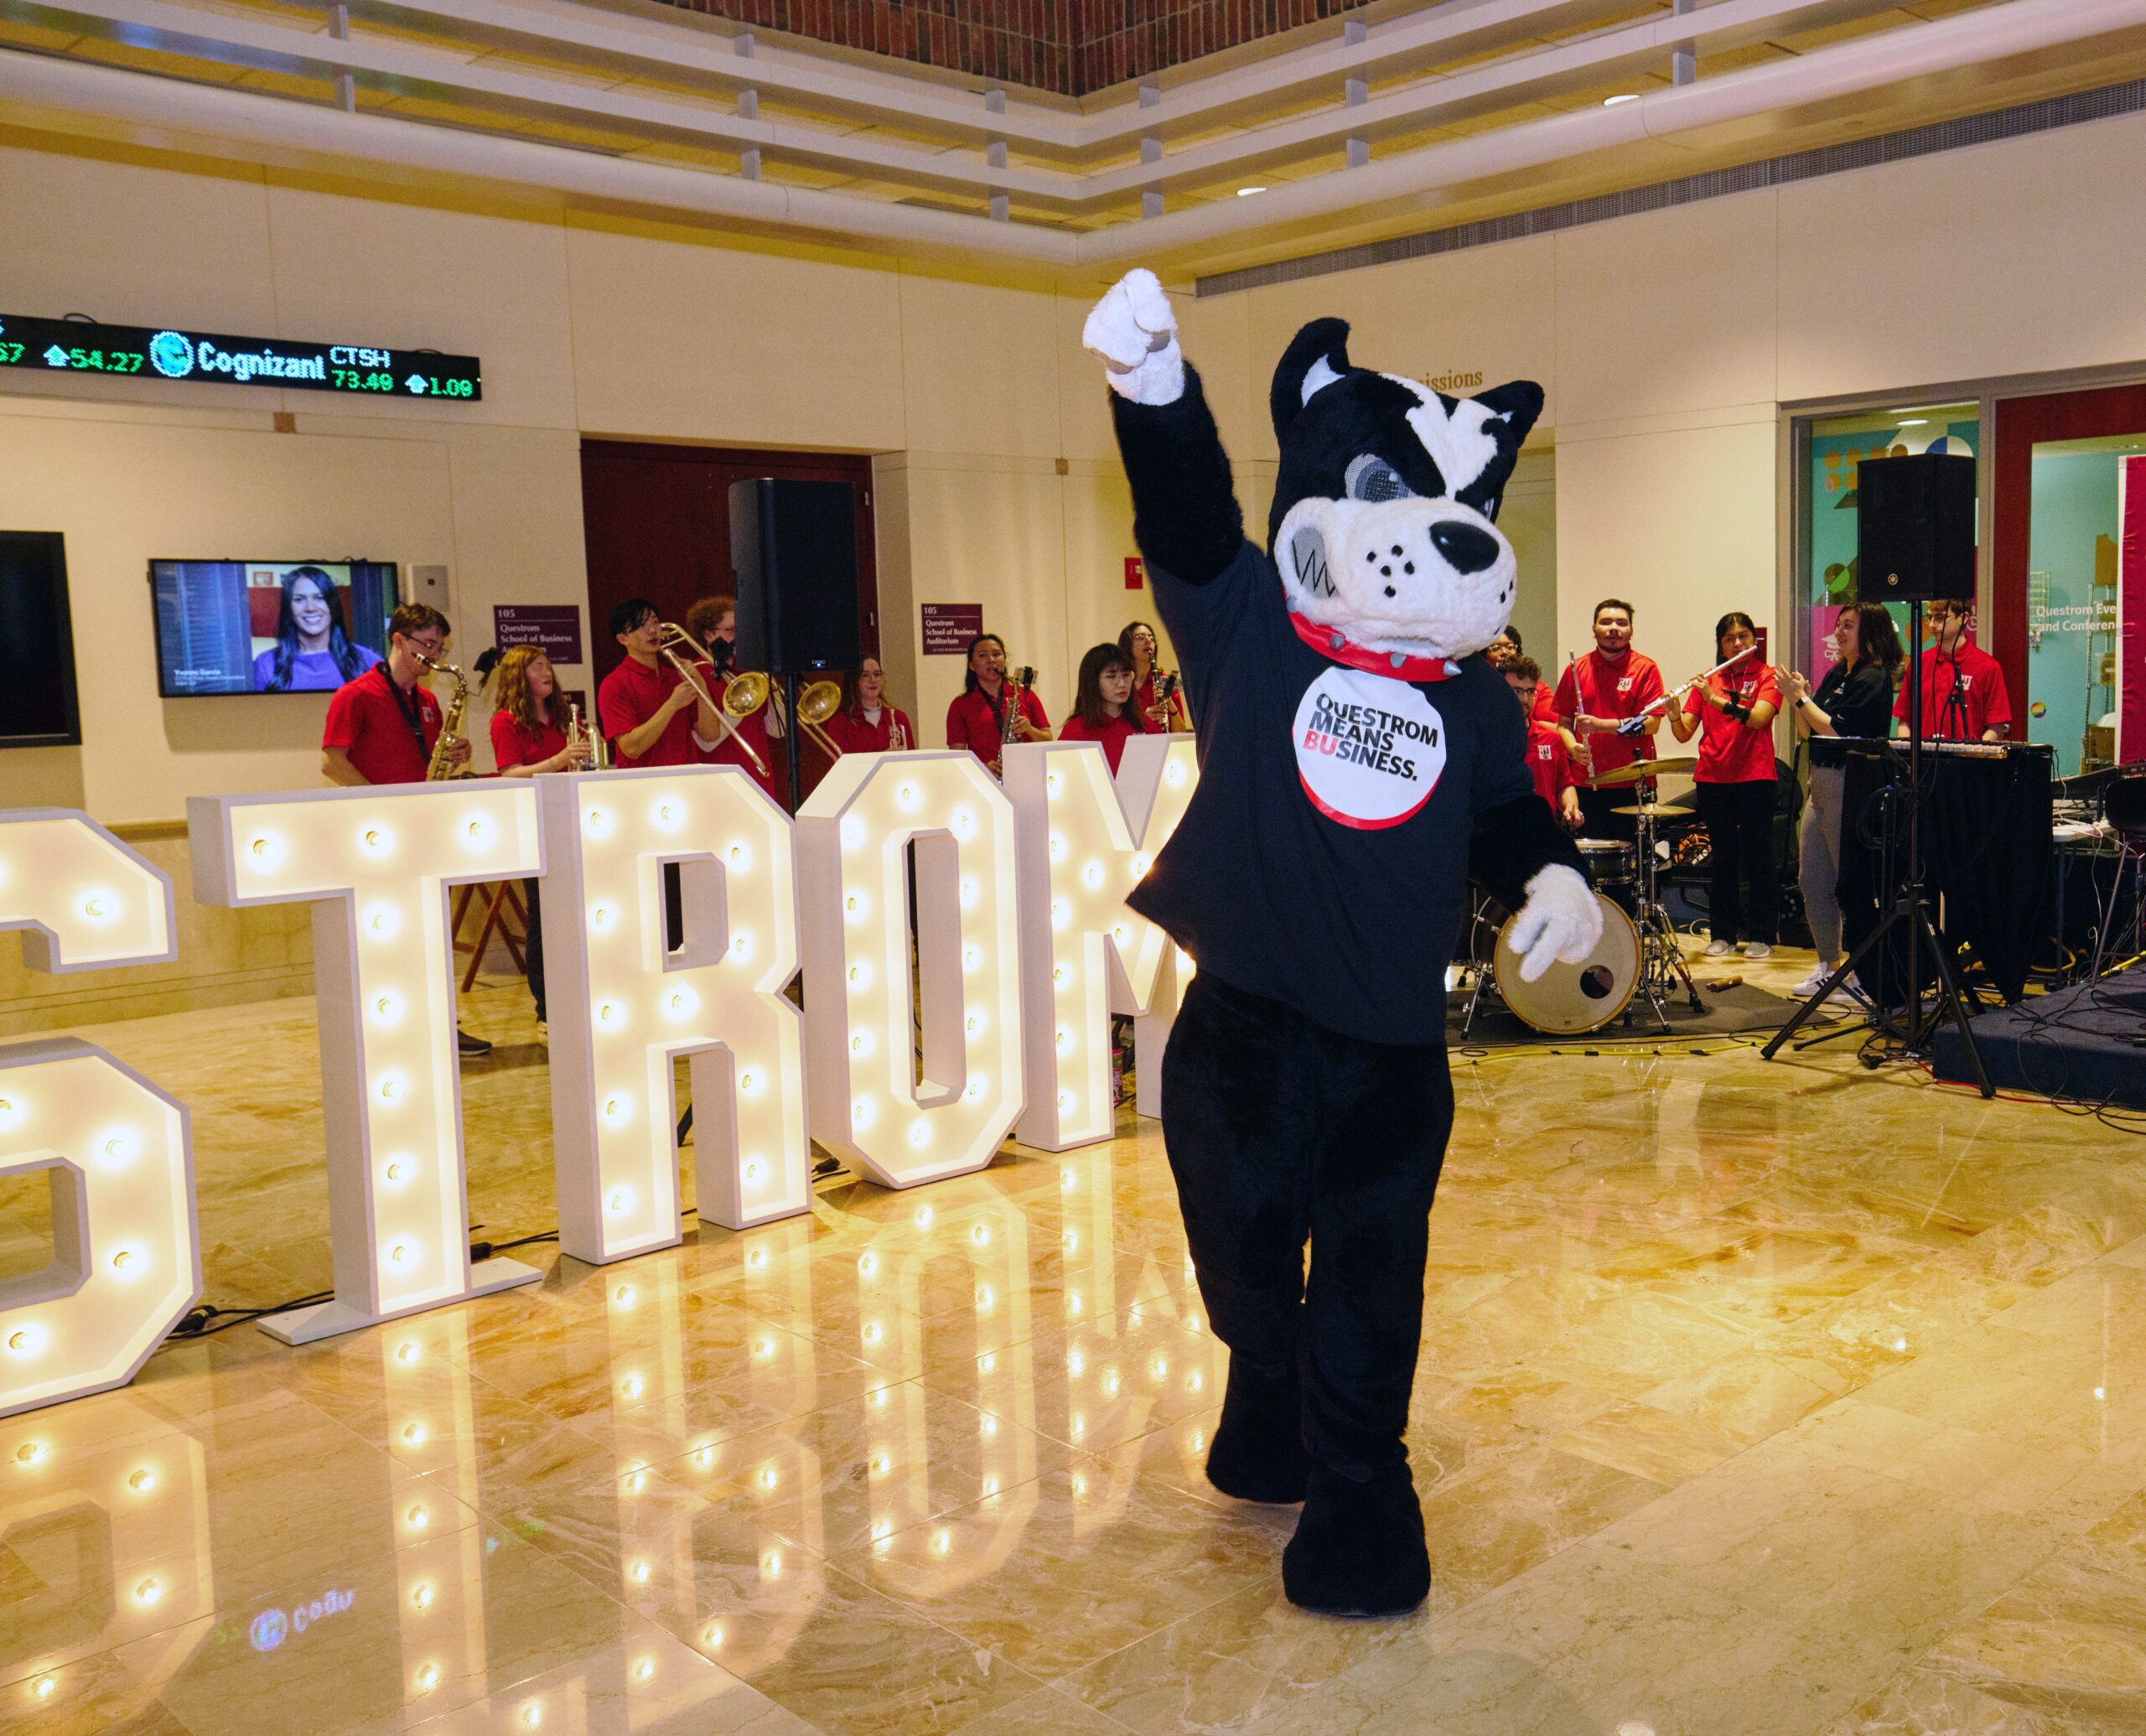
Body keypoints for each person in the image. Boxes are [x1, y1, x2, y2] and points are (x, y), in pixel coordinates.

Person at [320, 603, 490, 1057]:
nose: (434, 656)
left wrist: (454, 754)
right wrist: (381, 806)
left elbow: (426, 757)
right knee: (385, 935)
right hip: (377, 834)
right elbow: (332, 761)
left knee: (430, 932)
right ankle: (389, 1030)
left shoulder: (429, 700)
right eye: (427, 645)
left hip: (421, 830)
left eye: (440, 647)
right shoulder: (356, 695)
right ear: (399, 640)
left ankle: (440, 1024)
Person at [1784, 600, 1903, 1000]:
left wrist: (1801, 699)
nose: (1839, 631)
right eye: (1838, 625)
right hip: (1818, 781)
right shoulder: (1838, 673)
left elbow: (1836, 731)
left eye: (1849, 625)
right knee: (1811, 878)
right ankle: (1829, 967)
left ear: (1870, 630)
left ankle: (1864, 974)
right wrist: (1796, 699)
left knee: (1849, 884)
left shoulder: (1873, 677)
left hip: (1850, 783)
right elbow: (1808, 734)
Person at [489, 646, 593, 1034]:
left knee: (575, 916)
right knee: (542, 919)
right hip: (533, 827)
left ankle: (576, 996)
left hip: (568, 823)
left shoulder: (564, 719)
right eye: (538, 667)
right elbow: (510, 773)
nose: (548, 671)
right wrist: (559, 760)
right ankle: (546, 1007)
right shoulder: (506, 722)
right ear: (519, 675)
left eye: (549, 665)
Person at [1669, 611, 1782, 959]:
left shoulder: (1768, 676)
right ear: (1720, 644)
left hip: (1756, 778)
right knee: (1722, 860)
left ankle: (1763, 935)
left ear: (1754, 640)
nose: (1737, 643)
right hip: (1713, 779)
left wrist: (1714, 698)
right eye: (1730, 638)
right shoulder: (1710, 679)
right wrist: (1673, 711)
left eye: (1744, 636)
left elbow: (1760, 718)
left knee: (1760, 859)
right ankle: (1723, 934)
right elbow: (1684, 731)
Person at [1553, 599, 1664, 837]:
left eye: (1621, 623)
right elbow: (1562, 724)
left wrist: (1600, 726)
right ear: (1594, 630)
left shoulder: (1646, 668)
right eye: (1605, 622)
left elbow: (1652, 723)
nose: (1614, 628)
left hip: (1634, 784)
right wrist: (1572, 747)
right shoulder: (1576, 668)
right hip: (1587, 783)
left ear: (1631, 631)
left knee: (1636, 862)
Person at [598, 599, 723, 770]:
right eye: (640, 625)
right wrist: (672, 704)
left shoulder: (675, 676)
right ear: (622, 639)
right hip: (640, 785)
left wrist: (701, 685)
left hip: (684, 781)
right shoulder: (614, 684)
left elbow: (710, 734)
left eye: (655, 622)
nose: (652, 630)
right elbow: (631, 748)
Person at [685, 594, 781, 801]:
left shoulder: (750, 671)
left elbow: (778, 731)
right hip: (721, 784)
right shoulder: (696, 672)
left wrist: (773, 688)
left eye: (741, 629)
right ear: (709, 634)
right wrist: (743, 700)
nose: (739, 636)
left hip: (759, 778)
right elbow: (706, 742)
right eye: (730, 630)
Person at [1892, 597, 2011, 743]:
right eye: (1929, 617)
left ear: (1963, 618)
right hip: (1924, 760)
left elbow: (1996, 727)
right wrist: (1909, 759)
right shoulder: (1919, 663)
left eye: (1940, 618)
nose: (1932, 625)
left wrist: (1973, 757)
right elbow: (1904, 721)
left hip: (1968, 761)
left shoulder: (1987, 666)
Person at [253, 566, 381, 692]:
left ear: (333, 606)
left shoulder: (367, 661)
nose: (310, 608)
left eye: (320, 598)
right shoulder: (265, 664)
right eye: (299, 599)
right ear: (289, 610)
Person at [946, 632, 1050, 775]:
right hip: (987, 780)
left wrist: (1030, 730)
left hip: (1029, 774)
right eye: (983, 655)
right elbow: (957, 758)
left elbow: (1048, 739)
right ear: (971, 665)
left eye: (997, 654)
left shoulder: (1025, 694)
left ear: (1004, 660)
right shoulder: (960, 705)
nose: (991, 660)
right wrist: (983, 768)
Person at [1503, 656, 1579, 831]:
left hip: (1544, 832)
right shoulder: (1486, 737)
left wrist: (1571, 807)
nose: (1524, 699)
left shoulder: (1551, 738)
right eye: (1517, 691)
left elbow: (1563, 785)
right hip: (1500, 833)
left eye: (1530, 691)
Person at [1058, 642, 1153, 773]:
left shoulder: (1145, 725)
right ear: (1093, 682)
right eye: (1111, 676)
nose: (1122, 684)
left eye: (1126, 675)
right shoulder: (1075, 731)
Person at [822, 656, 915, 755]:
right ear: (853, 681)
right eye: (865, 675)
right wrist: (883, 757)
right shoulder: (839, 723)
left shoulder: (900, 718)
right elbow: (840, 766)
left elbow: (912, 761)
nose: (873, 680)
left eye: (877, 674)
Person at [1117, 619, 1191, 733]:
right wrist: (1143, 719)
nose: (1148, 641)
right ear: (1127, 644)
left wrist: (1170, 704)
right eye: (1140, 638)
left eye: (1152, 638)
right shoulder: (1119, 682)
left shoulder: (1169, 681)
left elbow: (1180, 732)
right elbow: (1115, 730)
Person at [1486, 624, 1558, 727]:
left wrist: (1528, 725)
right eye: (1496, 648)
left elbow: (1556, 726)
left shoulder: (1538, 688)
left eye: (1510, 647)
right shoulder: (1477, 687)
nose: (1504, 652)